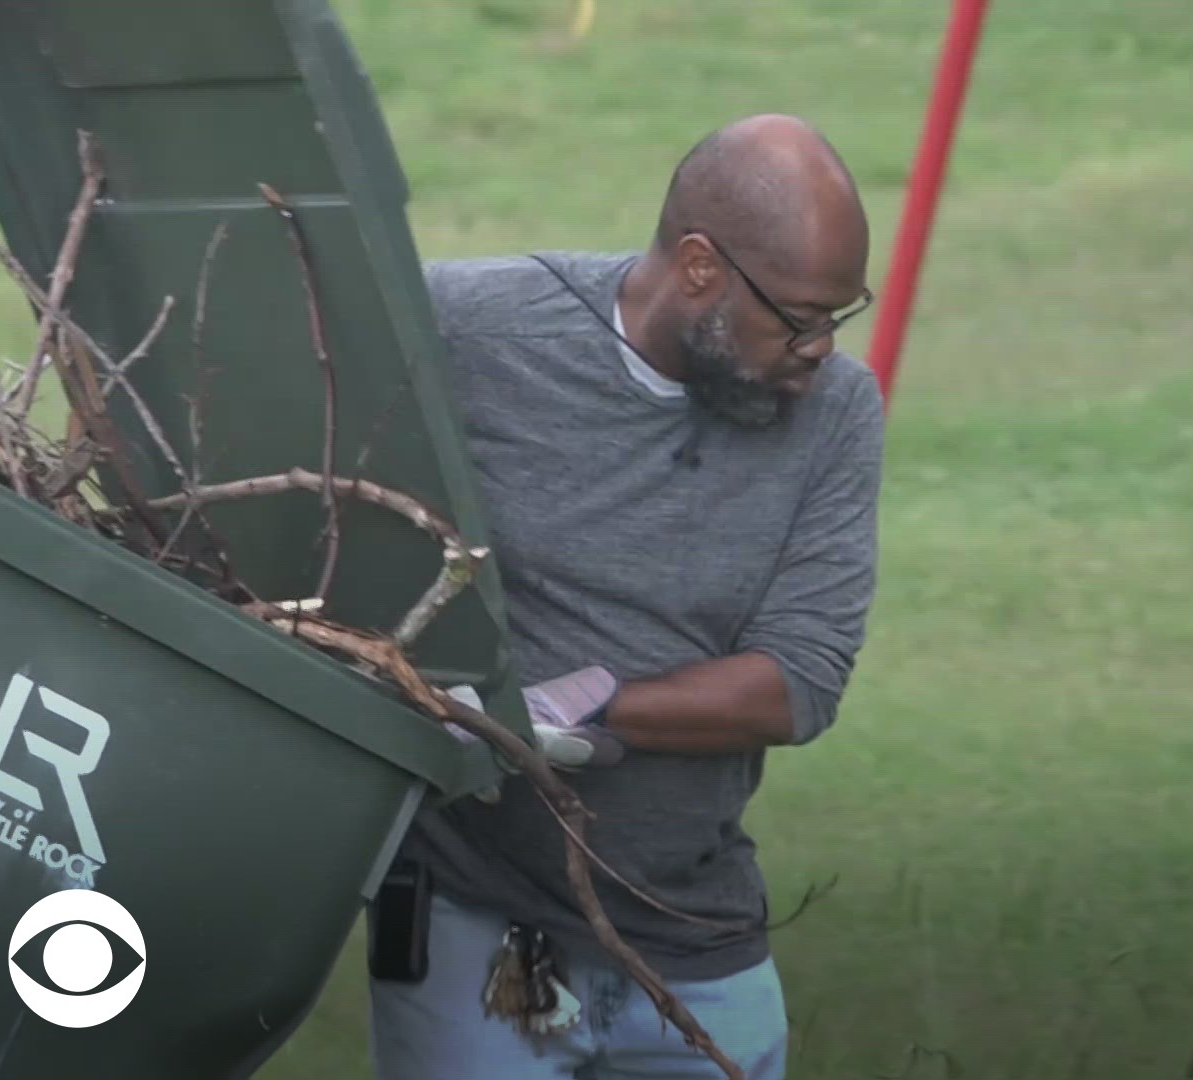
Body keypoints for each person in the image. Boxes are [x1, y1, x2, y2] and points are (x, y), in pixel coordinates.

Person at [368, 114, 886, 1078]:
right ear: (699, 267)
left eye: (838, 317)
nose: (820, 348)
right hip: (482, 918)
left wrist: (579, 710)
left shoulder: (836, 416)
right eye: (800, 316)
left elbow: (800, 680)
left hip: (699, 938)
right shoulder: (470, 330)